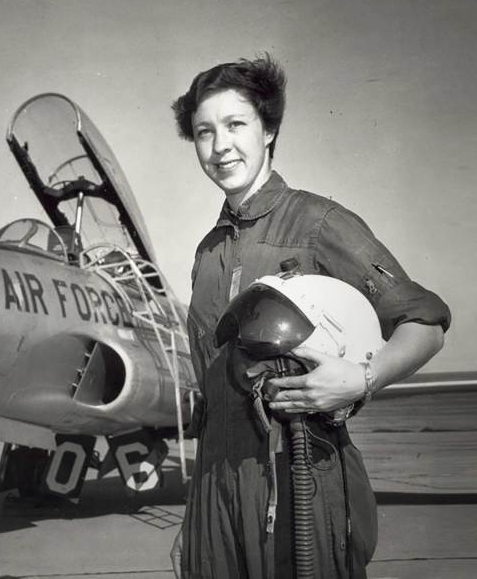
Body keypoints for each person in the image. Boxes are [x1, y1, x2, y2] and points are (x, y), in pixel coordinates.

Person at [169, 54, 451, 578]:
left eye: (236, 124)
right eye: (204, 132)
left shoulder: (321, 222)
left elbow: (426, 324)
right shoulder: (207, 253)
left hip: (300, 475)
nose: (220, 145)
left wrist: (362, 379)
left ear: (269, 127)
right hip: (215, 488)